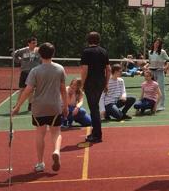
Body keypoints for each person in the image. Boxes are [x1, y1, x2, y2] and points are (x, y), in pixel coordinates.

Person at [11, 42, 67, 172]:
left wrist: (18, 106)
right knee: (56, 132)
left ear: (39, 54)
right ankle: (57, 151)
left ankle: (40, 163)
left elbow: (28, 90)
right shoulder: (60, 69)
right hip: (54, 105)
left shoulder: (35, 71)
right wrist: (65, 106)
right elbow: (63, 89)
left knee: (40, 134)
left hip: (39, 107)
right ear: (53, 54)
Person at [79, 31, 110, 143]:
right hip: (100, 82)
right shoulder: (103, 51)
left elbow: (84, 69)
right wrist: (106, 83)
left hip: (90, 82)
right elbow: (108, 69)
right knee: (94, 107)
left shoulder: (86, 52)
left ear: (88, 40)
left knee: (94, 108)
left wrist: (82, 84)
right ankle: (96, 131)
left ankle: (97, 134)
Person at [13, 36, 40, 113]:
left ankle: (30, 105)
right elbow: (13, 54)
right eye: (33, 43)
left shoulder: (38, 51)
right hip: (24, 72)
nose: (35, 44)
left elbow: (43, 58)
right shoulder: (23, 50)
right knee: (22, 89)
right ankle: (17, 105)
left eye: (36, 43)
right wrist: (18, 61)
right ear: (29, 43)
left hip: (34, 72)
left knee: (32, 90)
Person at [148, 38, 169, 111]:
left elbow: (168, 60)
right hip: (151, 72)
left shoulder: (162, 52)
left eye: (158, 43)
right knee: (152, 88)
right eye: (156, 42)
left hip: (159, 72)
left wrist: (165, 67)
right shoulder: (150, 52)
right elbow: (150, 62)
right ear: (153, 43)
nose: (157, 44)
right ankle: (152, 104)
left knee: (161, 88)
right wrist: (146, 66)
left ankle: (162, 105)